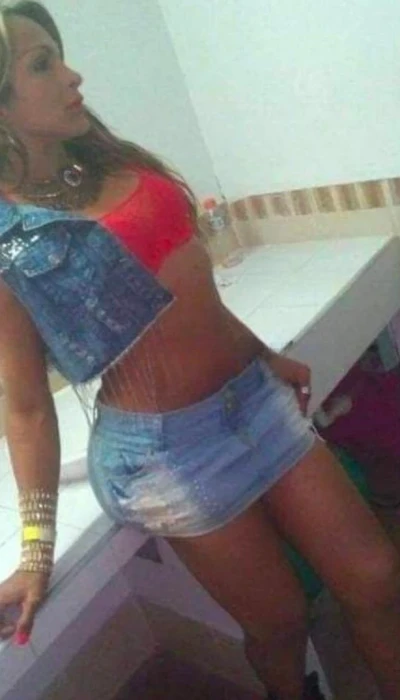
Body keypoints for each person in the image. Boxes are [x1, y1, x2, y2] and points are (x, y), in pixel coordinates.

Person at [0, 4, 399, 699]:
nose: (72, 75)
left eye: (59, 55)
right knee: (281, 625)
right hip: (168, 454)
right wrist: (36, 551)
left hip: (255, 400)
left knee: (377, 579)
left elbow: (193, 293)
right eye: (42, 64)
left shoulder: (111, 159)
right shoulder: (10, 236)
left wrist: (263, 354)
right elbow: (28, 405)